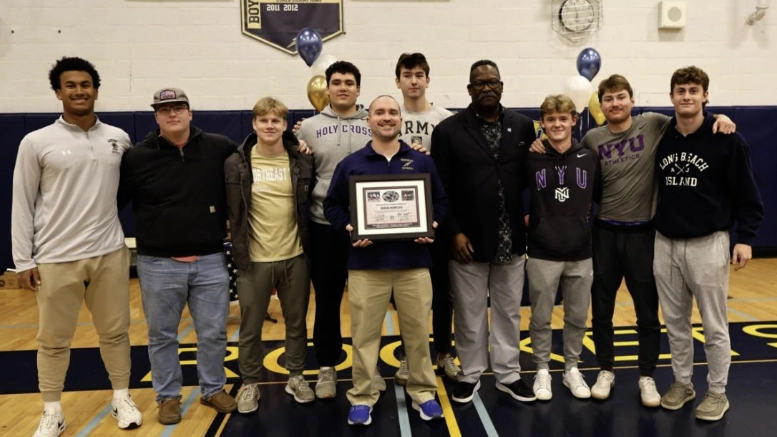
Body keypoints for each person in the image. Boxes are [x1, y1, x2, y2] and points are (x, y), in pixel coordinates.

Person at [530, 74, 735, 407]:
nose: (615, 104)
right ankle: (606, 370)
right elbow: (564, 163)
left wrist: (720, 118)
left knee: (647, 313)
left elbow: (690, 118)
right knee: (601, 312)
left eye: (621, 97)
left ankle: (647, 376)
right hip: (604, 233)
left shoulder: (653, 124)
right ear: (601, 104)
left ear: (631, 100)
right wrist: (537, 142)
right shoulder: (592, 139)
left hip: (643, 234)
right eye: (608, 99)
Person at [11, 56, 142, 437]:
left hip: (109, 253)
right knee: (53, 340)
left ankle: (121, 396)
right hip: (55, 257)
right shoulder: (35, 142)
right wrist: (23, 260)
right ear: (58, 92)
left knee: (116, 332)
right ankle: (52, 410)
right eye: (71, 85)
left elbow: (122, 193)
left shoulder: (119, 137)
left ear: (96, 90)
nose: (79, 91)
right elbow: (23, 202)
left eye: (85, 84)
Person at [324, 95, 447, 426]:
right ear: (369, 120)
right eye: (380, 112)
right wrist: (350, 227)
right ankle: (362, 396)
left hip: (414, 264)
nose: (387, 117)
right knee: (364, 337)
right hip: (366, 266)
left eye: (393, 112)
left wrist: (431, 225)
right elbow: (332, 206)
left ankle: (423, 392)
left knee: (419, 334)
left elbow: (441, 201)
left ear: (401, 120)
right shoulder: (351, 163)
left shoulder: (421, 162)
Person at [118, 88, 237, 424]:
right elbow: (112, 203)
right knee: (162, 335)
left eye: (178, 108)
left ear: (190, 113)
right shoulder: (137, 157)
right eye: (164, 109)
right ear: (156, 117)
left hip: (210, 258)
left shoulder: (218, 147)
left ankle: (213, 389)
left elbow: (256, 155)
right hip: (157, 262)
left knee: (213, 332)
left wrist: (295, 140)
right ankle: (168, 396)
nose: (172, 114)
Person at [653, 66, 763, 421]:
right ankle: (683, 383)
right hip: (665, 242)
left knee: (714, 325)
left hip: (708, 242)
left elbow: (748, 193)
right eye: (680, 90)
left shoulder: (727, 138)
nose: (686, 96)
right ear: (671, 97)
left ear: (705, 96)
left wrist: (746, 239)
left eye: (693, 90)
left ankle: (718, 392)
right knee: (675, 323)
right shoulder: (661, 134)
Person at [431, 60, 537, 404]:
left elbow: (529, 180)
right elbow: (440, 188)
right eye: (479, 84)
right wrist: (453, 232)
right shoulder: (448, 131)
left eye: (492, 82)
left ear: (502, 86)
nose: (487, 88)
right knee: (469, 311)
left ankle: (508, 374)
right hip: (467, 239)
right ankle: (471, 372)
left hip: (511, 238)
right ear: (469, 90)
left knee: (508, 310)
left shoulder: (522, 127)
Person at [296, 61, 386, 399]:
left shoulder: (375, 122)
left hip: (371, 227)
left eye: (349, 82)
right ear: (327, 88)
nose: (343, 87)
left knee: (369, 303)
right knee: (329, 300)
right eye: (337, 82)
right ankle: (326, 367)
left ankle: (369, 366)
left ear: (359, 89)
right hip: (325, 226)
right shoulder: (308, 128)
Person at [225, 97, 315, 412]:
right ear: (254, 124)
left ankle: (296, 376)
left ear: (285, 125)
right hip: (254, 258)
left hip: (295, 255)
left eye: (276, 121)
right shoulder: (236, 163)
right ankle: (249, 383)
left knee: (296, 323)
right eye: (263, 120)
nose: (269, 126)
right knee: (250, 325)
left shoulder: (301, 160)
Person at [525, 95, 600, 401]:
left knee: (577, 315)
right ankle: (542, 370)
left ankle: (571, 368)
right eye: (550, 119)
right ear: (542, 123)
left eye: (563, 118)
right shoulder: (531, 157)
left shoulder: (590, 157)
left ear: (573, 121)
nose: (557, 124)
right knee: (541, 316)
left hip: (580, 251)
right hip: (543, 250)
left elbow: (601, 197)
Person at [392, 52, 459, 385]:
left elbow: (454, 170)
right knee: (409, 293)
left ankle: (445, 354)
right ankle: (408, 357)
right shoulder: (387, 115)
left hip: (437, 215)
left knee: (443, 290)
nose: (414, 80)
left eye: (419, 74)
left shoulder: (445, 119)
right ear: (398, 81)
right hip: (401, 218)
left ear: (428, 80)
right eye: (407, 74)